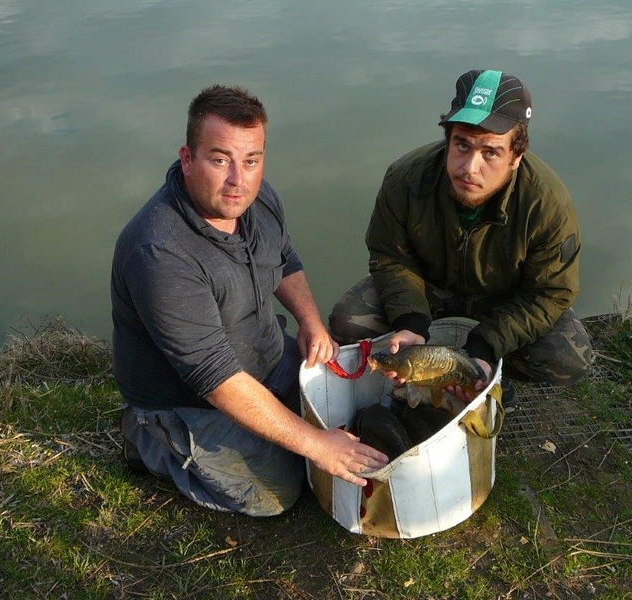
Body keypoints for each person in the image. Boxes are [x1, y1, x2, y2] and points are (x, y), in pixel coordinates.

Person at [111, 84, 387, 517]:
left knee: (353, 412)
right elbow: (215, 378)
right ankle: (148, 440)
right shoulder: (159, 253)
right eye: (220, 160)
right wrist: (316, 446)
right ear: (188, 159)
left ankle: (285, 421)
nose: (239, 180)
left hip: (265, 358)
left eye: (251, 161)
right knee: (279, 493)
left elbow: (284, 258)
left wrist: (310, 320)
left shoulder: (258, 200)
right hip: (191, 400)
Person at [329, 69, 593, 403]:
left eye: (491, 152)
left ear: (516, 156)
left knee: (569, 359)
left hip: (504, 300)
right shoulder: (406, 179)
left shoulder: (547, 205)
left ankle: (491, 370)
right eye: (462, 145)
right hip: (429, 289)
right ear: (448, 139)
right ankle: (428, 358)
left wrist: (485, 346)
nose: (469, 168)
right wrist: (410, 320)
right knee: (348, 321)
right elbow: (390, 257)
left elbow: (550, 294)